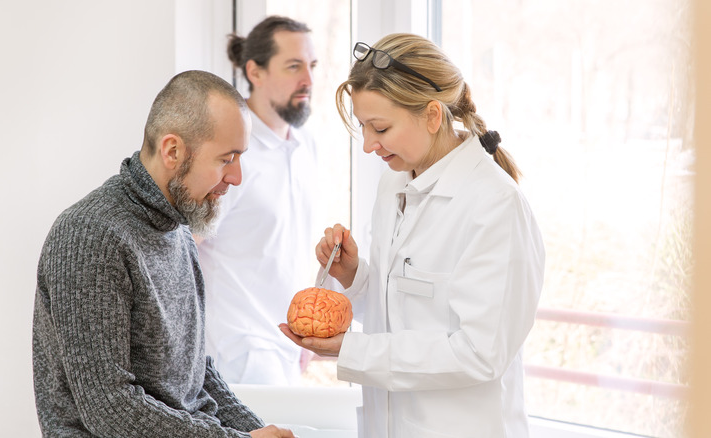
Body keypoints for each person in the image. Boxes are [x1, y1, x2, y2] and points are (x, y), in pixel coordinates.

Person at [279, 34, 546, 437]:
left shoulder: (495, 206)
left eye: (380, 127)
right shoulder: (395, 185)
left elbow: (480, 352)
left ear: (433, 116)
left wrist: (353, 351)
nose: (368, 145)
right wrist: (357, 276)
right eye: (363, 127)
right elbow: (408, 307)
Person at [33, 70, 295, 438]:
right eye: (226, 159)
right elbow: (110, 409)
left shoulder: (180, 230)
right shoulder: (90, 234)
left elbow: (196, 375)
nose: (237, 177)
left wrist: (257, 431)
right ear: (173, 151)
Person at [197, 15, 320, 385]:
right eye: (294, 66)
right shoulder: (230, 150)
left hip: (288, 348)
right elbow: (182, 245)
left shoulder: (305, 146)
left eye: (312, 66)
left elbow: (291, 248)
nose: (309, 81)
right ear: (255, 71)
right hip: (237, 352)